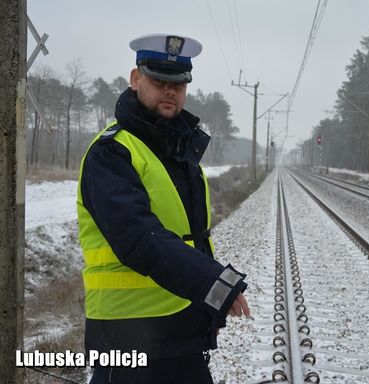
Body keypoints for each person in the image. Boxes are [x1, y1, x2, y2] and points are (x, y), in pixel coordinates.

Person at [76, 33, 250, 383]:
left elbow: (192, 239)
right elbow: (138, 237)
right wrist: (212, 281)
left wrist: (206, 308)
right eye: (159, 80)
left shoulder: (180, 154)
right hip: (126, 336)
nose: (170, 90)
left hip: (182, 329)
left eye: (179, 83)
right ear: (136, 79)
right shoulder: (111, 153)